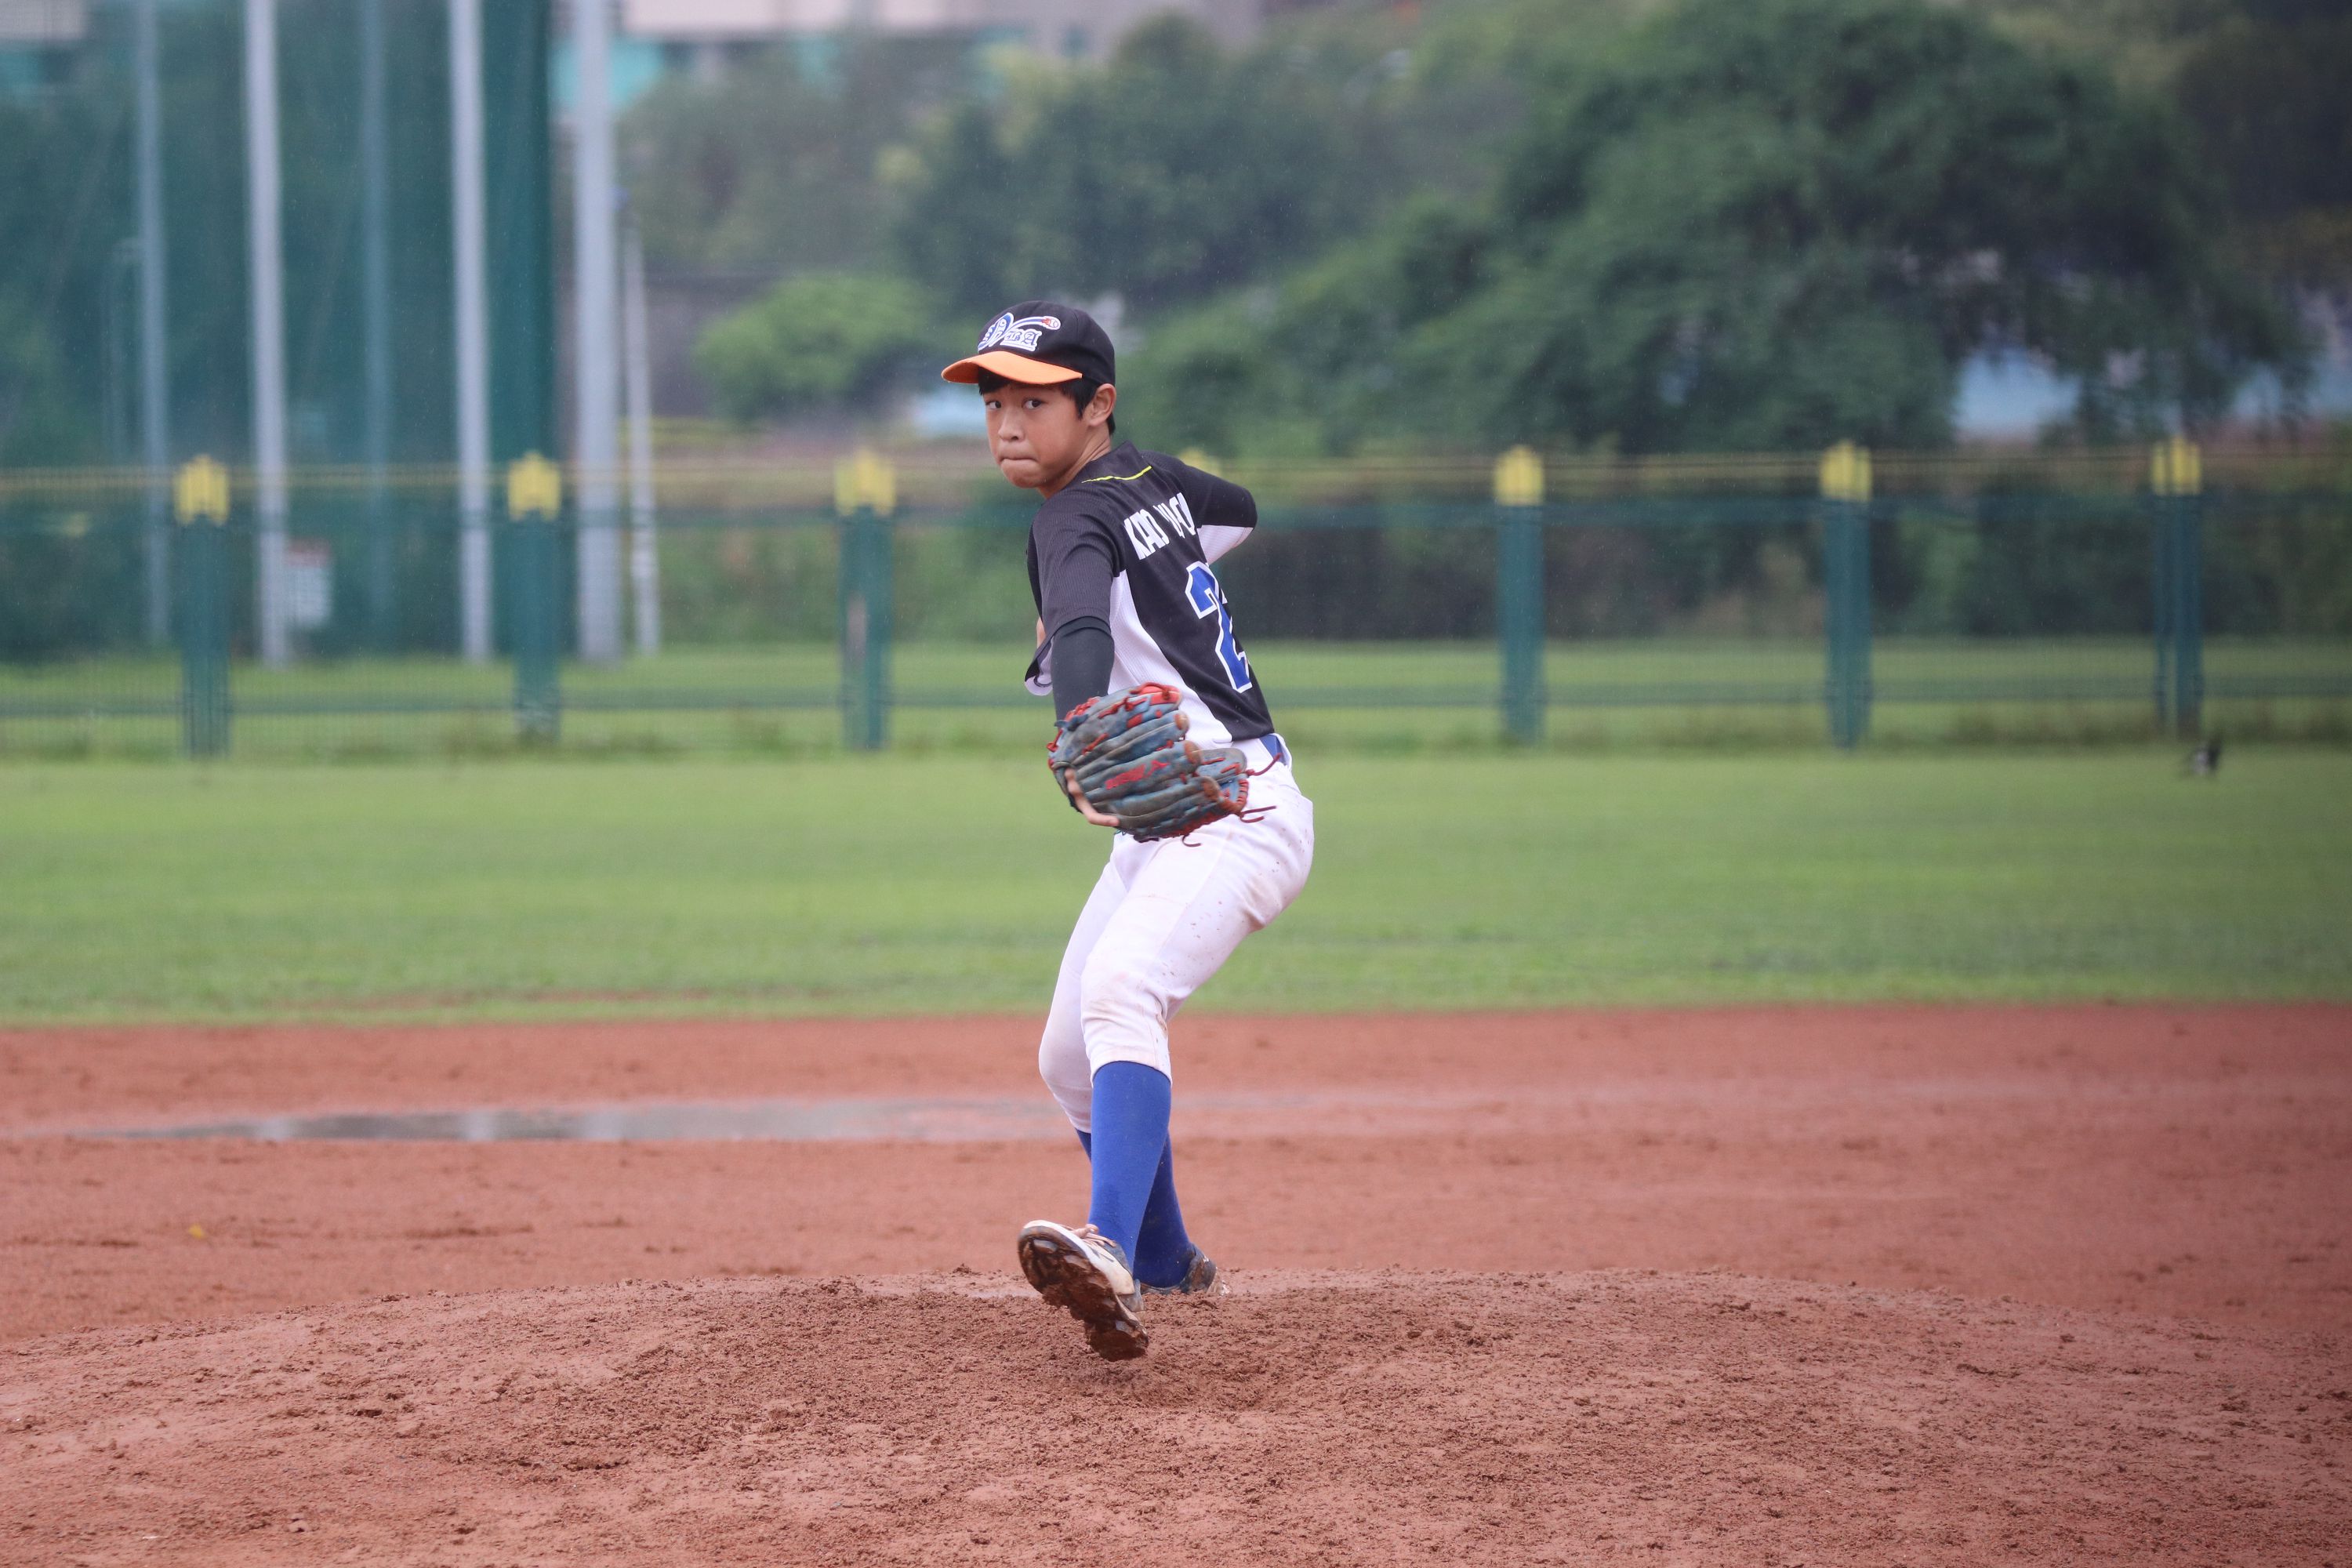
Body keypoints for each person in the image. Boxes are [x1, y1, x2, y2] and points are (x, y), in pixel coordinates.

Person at [940, 302, 1316, 1360]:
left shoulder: (1070, 518)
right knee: (1070, 1057)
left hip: (1234, 808)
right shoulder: (1151, 481)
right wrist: (1161, 549)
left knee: (1120, 992)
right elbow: (1237, 511)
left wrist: (1078, 725)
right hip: (1182, 816)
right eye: (994, 403)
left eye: (1035, 401)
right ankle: (1165, 1258)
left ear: (1097, 405)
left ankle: (1106, 1245)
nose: (1008, 424)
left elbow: (1082, 628)